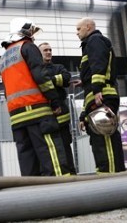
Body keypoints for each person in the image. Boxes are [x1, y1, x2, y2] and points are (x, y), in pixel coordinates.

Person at [0, 18, 71, 176]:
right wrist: (54, 101)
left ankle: (33, 195)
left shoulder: (4, 58)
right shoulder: (28, 47)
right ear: (24, 31)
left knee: (28, 159)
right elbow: (41, 77)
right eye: (31, 31)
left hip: (17, 117)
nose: (33, 35)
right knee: (51, 155)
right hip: (38, 111)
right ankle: (61, 192)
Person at [75, 17, 126, 173]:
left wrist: (97, 89)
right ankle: (106, 172)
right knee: (99, 138)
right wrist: (84, 114)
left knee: (105, 137)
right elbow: (94, 72)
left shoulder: (95, 40)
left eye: (79, 29)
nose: (76, 33)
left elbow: (99, 65)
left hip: (103, 95)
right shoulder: (90, 43)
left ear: (88, 27)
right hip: (97, 96)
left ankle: (111, 176)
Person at [38, 42, 77, 174]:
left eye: (50, 50)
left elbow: (66, 79)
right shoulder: (36, 70)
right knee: (50, 149)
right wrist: (56, 80)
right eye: (45, 50)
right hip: (46, 114)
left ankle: (71, 174)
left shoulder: (58, 67)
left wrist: (47, 79)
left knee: (65, 146)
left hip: (62, 115)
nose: (48, 52)